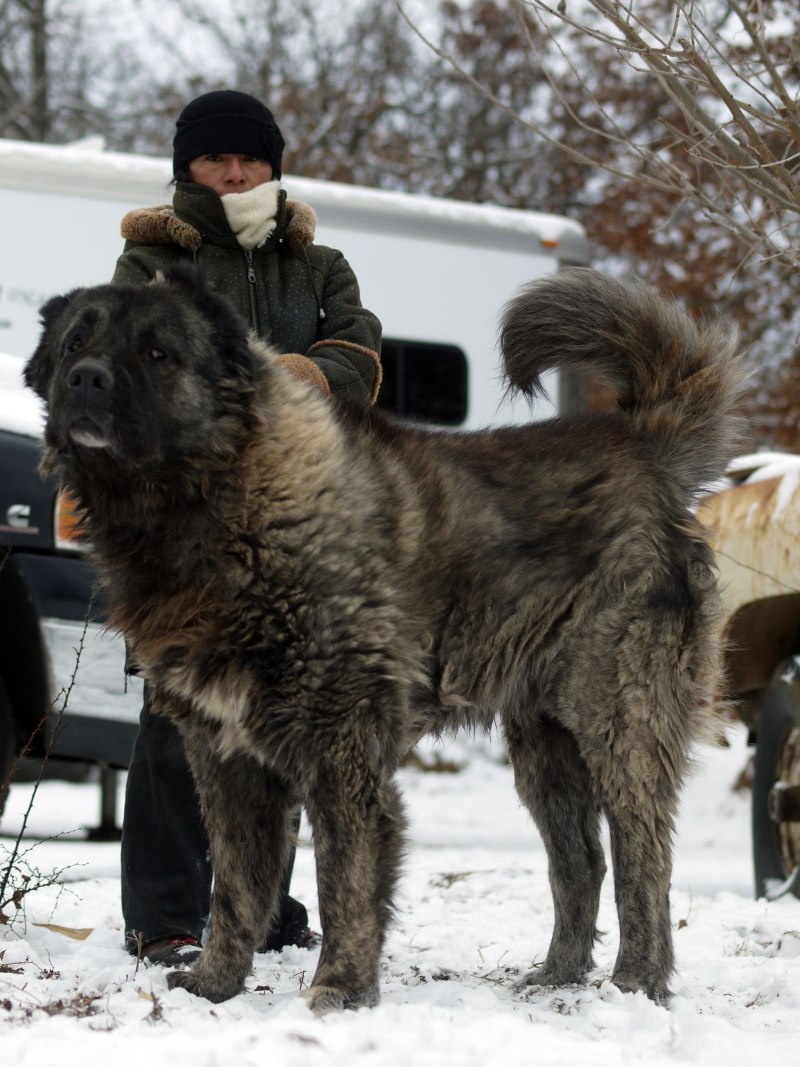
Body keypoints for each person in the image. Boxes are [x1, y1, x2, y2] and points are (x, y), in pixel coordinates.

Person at [113, 90, 382, 967]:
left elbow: (360, 354)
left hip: (294, 533)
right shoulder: (150, 260)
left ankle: (257, 908)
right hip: (181, 530)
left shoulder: (321, 266)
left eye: (251, 158)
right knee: (176, 722)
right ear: (187, 167)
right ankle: (164, 914)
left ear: (273, 164)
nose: (235, 173)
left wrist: (307, 371)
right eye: (215, 158)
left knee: (278, 721)